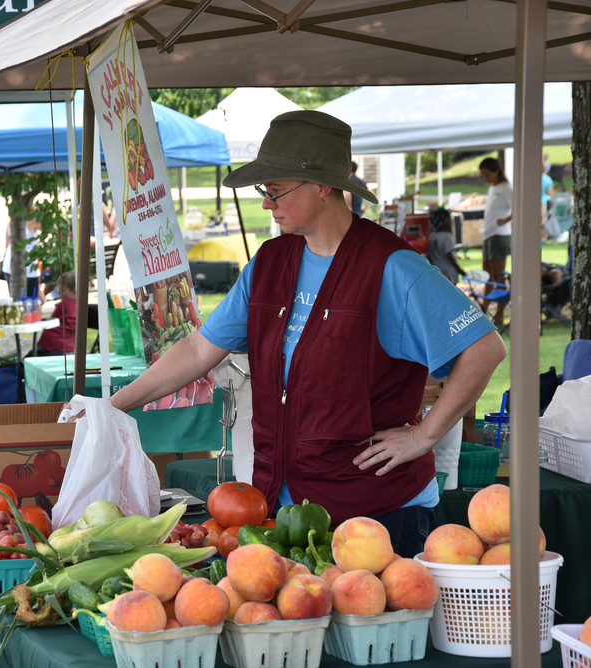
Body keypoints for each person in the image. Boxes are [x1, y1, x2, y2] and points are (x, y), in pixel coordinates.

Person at [107, 110, 506, 558]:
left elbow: (485, 347)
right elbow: (200, 348)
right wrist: (115, 407)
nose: (266, 203)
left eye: (275, 191)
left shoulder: (392, 268)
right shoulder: (269, 263)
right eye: (265, 192)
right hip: (282, 512)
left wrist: (426, 434)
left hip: (377, 514)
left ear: (322, 187)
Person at [478, 157, 512, 325]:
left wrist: (505, 220)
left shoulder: (506, 188)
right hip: (488, 235)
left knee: (499, 277)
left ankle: (499, 316)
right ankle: (483, 314)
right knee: (488, 277)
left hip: (500, 235)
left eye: (487, 174)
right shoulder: (493, 188)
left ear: (497, 171)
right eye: (483, 175)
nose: (485, 178)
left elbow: (519, 207)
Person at [37, 270, 77, 355]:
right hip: (69, 346)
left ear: (74, 291)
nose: (58, 293)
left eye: (62, 290)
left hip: (52, 345)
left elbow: (51, 321)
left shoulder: (64, 305)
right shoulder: (80, 306)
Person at [2, 218, 42, 298]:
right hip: (27, 267)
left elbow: (7, 245)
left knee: (17, 300)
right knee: (31, 302)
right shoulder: (33, 219)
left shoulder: (11, 221)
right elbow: (51, 228)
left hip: (10, 265)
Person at [426, 207, 467, 285]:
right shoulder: (447, 236)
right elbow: (450, 256)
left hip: (437, 271)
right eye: (448, 219)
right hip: (448, 273)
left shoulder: (431, 236)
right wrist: (460, 270)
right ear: (442, 222)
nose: (450, 222)